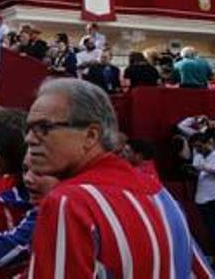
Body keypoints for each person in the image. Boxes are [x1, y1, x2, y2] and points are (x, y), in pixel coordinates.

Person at [25, 78, 213, 276]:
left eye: (43, 128)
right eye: (28, 129)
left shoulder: (68, 202)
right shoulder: (162, 196)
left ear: (90, 135)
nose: (29, 138)